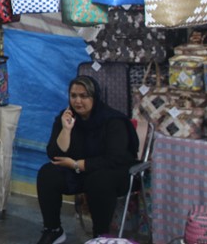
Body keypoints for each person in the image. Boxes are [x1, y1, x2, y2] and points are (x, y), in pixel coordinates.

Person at [36, 75, 139, 244]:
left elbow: (115, 158)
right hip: (81, 171)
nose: (77, 101)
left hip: (115, 173)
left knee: (98, 180)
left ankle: (100, 236)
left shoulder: (112, 121)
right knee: (48, 173)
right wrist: (66, 129)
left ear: (94, 97)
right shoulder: (66, 117)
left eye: (84, 96)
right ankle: (53, 229)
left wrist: (77, 164)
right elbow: (54, 154)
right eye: (73, 96)